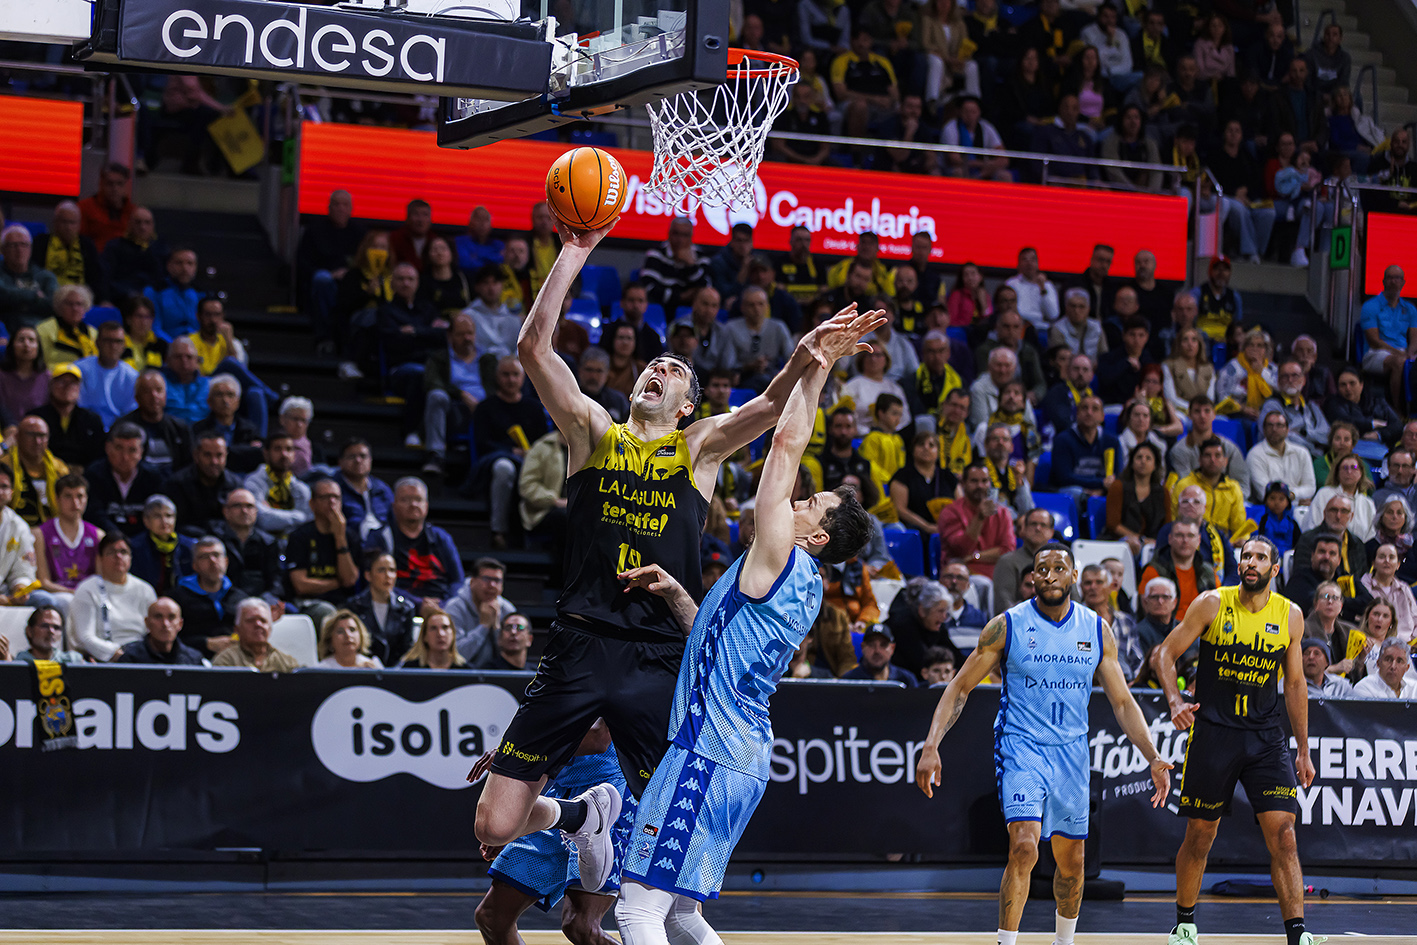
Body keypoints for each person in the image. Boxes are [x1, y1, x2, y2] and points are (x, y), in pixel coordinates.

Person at [473, 217, 879, 879]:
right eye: (653, 364)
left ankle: (655, 897)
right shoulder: (592, 431)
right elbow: (532, 346)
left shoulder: (698, 448)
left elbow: (771, 406)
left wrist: (807, 355)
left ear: (688, 405)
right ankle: (580, 817)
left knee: (672, 823)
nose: (658, 368)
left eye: (674, 370)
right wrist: (575, 249)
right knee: (493, 825)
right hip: (578, 641)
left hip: (659, 654)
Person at [610, 317, 872, 937]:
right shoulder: (806, 588)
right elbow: (723, 638)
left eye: (811, 505)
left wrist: (819, 365)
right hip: (742, 758)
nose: (798, 501)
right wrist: (680, 596)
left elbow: (785, 446)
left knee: (637, 907)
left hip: (707, 750)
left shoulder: (779, 553)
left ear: (817, 537)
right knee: (681, 913)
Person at [917, 542, 1169, 945]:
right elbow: (959, 687)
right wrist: (932, 744)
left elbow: (1123, 702)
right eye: (1041, 569)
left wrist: (1153, 756)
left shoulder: (1095, 630)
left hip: (1071, 752)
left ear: (1074, 576)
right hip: (1022, 747)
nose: (1049, 575)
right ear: (1031, 577)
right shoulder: (1007, 626)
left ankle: (1063, 942)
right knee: (1024, 846)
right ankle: (1006, 942)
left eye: (1058, 568)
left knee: (1073, 863)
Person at [1153, 536, 1319, 945]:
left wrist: (1303, 748)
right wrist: (1175, 700)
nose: (1251, 562)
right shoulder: (1212, 603)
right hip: (1214, 733)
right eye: (1246, 556)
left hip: (1265, 738)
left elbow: (1295, 684)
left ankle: (1297, 933)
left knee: (1284, 835)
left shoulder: (1290, 615)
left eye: (1260, 557)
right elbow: (1164, 654)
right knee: (1201, 835)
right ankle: (1185, 923)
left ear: (1274, 569)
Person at [364, 477, 464, 615]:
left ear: (426, 505)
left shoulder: (441, 537)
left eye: (418, 499)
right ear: (393, 506)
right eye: (405, 500)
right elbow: (375, 580)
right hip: (398, 610)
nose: (413, 505)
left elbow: (458, 580)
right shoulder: (380, 537)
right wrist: (417, 604)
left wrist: (444, 605)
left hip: (442, 608)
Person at [69, 532, 158, 661]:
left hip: (142, 653)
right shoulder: (87, 589)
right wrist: (117, 654)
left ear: (131, 557)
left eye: (124, 552)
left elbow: (154, 630)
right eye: (111, 552)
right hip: (107, 656)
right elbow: (85, 637)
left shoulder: (145, 589)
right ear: (100, 559)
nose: (118, 556)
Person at [285, 477, 361, 627]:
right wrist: (336, 583)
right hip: (309, 603)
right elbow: (301, 585)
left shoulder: (350, 536)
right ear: (312, 504)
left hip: (344, 602)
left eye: (336, 497)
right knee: (327, 612)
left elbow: (349, 580)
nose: (332, 502)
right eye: (325, 497)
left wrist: (340, 538)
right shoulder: (300, 536)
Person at [31, 472, 101, 616]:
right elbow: (43, 581)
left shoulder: (98, 535)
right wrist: (72, 593)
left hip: (89, 597)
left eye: (80, 496)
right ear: (57, 499)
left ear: (86, 499)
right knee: (66, 601)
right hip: (57, 596)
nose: (75, 503)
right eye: (68, 496)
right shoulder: (40, 534)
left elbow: (100, 580)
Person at [171, 536, 249, 654]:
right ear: (194, 565)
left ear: (226, 561)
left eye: (216, 555)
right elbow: (169, 638)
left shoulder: (241, 598)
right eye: (204, 556)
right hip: (193, 659)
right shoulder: (177, 599)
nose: (212, 561)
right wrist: (206, 643)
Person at [937, 461, 1016, 578]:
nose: (980, 486)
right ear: (963, 483)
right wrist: (979, 518)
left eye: (984, 481)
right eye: (974, 481)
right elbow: (961, 551)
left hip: (997, 574)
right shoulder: (950, 512)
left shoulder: (1003, 513)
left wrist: (976, 556)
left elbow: (1007, 550)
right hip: (961, 575)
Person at [83, 423, 161, 538]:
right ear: (108, 448)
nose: (125, 457)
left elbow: (156, 513)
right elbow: (94, 515)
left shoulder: (153, 477)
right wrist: (118, 538)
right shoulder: (93, 474)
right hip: (104, 539)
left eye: (132, 450)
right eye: (119, 448)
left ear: (141, 453)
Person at [1357, 265, 1417, 410]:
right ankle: (1398, 411)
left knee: (1406, 361)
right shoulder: (1370, 306)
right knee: (1399, 362)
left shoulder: (1410, 309)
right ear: (1384, 281)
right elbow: (1374, 341)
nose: (1393, 281)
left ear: (1403, 282)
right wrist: (1401, 355)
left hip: (1402, 352)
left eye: (1397, 278)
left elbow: (1415, 337)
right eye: (1390, 278)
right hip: (1375, 353)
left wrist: (1410, 353)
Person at [214, 488, 283, 610]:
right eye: (237, 506)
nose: (244, 511)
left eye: (249, 506)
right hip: (224, 601)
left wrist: (266, 600)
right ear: (225, 511)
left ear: (256, 511)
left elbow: (277, 580)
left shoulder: (269, 543)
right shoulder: (215, 542)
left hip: (263, 602)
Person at [163, 430, 243, 536]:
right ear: (196, 455)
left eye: (219, 455)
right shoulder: (177, 484)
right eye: (207, 455)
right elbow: (177, 525)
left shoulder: (235, 484)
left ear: (226, 456)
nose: (214, 461)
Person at [1172, 439, 1253, 543]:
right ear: (1200, 460)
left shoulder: (1233, 488)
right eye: (1207, 455)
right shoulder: (1184, 485)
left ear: (1225, 461)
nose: (1212, 460)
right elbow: (1174, 520)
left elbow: (1239, 526)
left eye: (1217, 455)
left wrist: (1242, 540)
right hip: (1190, 539)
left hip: (1223, 542)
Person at [1050, 395, 1121, 509]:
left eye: (1095, 409)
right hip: (1073, 493)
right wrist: (1100, 484)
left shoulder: (1112, 441)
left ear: (1102, 416)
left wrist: (1102, 490)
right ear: (1077, 414)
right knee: (1076, 493)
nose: (1089, 412)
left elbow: (1117, 476)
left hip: (1102, 490)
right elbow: (1063, 478)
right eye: (1084, 408)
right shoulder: (1063, 440)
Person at [1170, 396, 1250, 497]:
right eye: (1197, 411)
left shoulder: (1229, 447)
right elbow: (1184, 487)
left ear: (1214, 415)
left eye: (1207, 411)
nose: (1202, 416)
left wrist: (1225, 501)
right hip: (1195, 502)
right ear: (1189, 415)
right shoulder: (1180, 450)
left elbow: (1243, 486)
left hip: (1227, 500)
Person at [1142, 520, 1219, 621]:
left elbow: (1219, 606)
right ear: (1170, 539)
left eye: (1190, 535)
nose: (1185, 540)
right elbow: (1146, 611)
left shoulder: (1208, 572)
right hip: (1168, 629)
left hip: (1203, 627)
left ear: (1199, 539)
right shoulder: (1153, 570)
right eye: (1179, 535)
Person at [445, 557, 517, 665]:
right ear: (472, 582)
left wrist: (496, 628)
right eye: (486, 579)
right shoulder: (454, 608)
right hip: (461, 671)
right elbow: (455, 655)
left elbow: (513, 657)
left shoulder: (508, 610)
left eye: (497, 580)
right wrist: (484, 626)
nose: (492, 585)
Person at [1, 416, 69, 526]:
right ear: (17, 437)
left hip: (49, 530)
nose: (37, 441)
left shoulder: (59, 469)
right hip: (11, 527)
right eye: (31, 435)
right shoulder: (4, 466)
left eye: (42, 436)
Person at [121, 370, 192, 474]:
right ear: (137, 397)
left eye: (159, 390)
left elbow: (188, 467)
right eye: (147, 391)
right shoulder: (123, 428)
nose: (154, 396)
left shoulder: (180, 428)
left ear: (165, 395)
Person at [243, 432, 312, 536]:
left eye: (288, 449)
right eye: (277, 449)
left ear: (294, 455)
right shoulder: (253, 482)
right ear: (266, 453)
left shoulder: (302, 488)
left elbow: (307, 523)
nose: (284, 454)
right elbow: (263, 520)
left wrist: (270, 512)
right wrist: (298, 516)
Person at [74, 320, 139, 428]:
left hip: (119, 429)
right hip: (84, 426)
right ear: (97, 343)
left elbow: (130, 413)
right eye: (108, 340)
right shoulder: (79, 370)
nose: (113, 346)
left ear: (124, 345)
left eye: (118, 341)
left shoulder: (132, 376)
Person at [1108, 441, 1169, 556]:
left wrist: (1153, 542)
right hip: (1121, 541)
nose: (1143, 461)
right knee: (1134, 544)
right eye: (1139, 457)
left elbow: (1167, 525)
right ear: (1131, 463)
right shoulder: (1118, 486)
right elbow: (1113, 524)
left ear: (1155, 465)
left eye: (1148, 458)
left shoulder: (1163, 492)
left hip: (1153, 543)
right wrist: (1140, 539)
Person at [128, 494, 194, 595]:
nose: (164, 521)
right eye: (157, 516)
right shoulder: (134, 547)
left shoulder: (189, 546)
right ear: (146, 520)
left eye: (169, 516)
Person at [1247, 410, 1317, 503]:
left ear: (1287, 430)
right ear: (1264, 430)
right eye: (1270, 425)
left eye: (1279, 425)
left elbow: (1310, 487)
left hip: (1300, 507)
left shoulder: (1302, 452)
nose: (1274, 429)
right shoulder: (1255, 455)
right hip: (1269, 508)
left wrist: (1293, 494)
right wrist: (1293, 497)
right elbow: (1264, 493)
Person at [212, 598, 299, 672]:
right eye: (251, 620)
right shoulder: (225, 662)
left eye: (263, 621)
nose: (258, 624)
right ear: (237, 629)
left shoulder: (286, 663)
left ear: (270, 628)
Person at [334, 438, 394, 542]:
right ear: (340, 462)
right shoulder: (333, 489)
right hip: (347, 543)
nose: (358, 460)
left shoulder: (382, 489)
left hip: (384, 543)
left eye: (363, 456)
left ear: (370, 460)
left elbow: (394, 520)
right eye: (352, 456)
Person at [1309, 453, 1377, 543]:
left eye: (1353, 467)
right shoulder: (1323, 494)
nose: (1349, 472)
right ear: (1337, 472)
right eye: (1345, 468)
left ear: (1361, 473)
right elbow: (1313, 526)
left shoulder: (1367, 503)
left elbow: (1371, 535)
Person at [0, 224, 59, 327]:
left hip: (40, 329)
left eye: (24, 244)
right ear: (2, 249)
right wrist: (35, 295)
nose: (19, 250)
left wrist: (14, 301)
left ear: (30, 249)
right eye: (13, 245)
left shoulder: (45, 277)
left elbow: (53, 306)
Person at [79, 163, 135, 252]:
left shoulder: (133, 212)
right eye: (110, 183)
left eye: (119, 184)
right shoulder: (84, 208)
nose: (115, 188)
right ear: (101, 184)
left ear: (126, 185)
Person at [0, 325, 51, 421]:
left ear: (38, 346)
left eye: (31, 340)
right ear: (12, 345)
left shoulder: (48, 377)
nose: (26, 344)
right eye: (21, 340)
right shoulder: (2, 376)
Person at [842, 624, 920, 685]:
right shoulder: (849, 681)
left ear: (892, 648)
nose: (877, 651)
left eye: (883, 645)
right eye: (871, 645)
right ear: (863, 647)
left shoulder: (906, 680)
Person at [396, 608, 469, 670]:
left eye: (445, 627)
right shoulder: (411, 669)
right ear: (424, 636)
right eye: (433, 628)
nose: (440, 634)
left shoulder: (466, 670)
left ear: (453, 634)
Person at [11, 605, 84, 664]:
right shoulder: (20, 663)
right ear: (29, 631)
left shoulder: (73, 661)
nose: (51, 631)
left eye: (56, 627)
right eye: (45, 626)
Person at [316, 609, 383, 669]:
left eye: (352, 629)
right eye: (340, 631)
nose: (348, 635)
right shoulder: (322, 670)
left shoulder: (372, 666)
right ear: (329, 639)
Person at [1352, 639, 1417, 700]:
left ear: (1407, 668)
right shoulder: (1364, 688)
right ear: (1378, 663)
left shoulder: (1414, 688)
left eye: (1399, 661)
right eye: (1388, 660)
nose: (1393, 666)